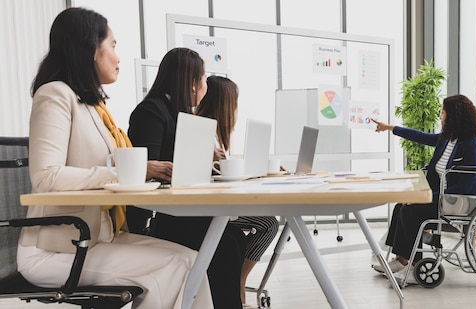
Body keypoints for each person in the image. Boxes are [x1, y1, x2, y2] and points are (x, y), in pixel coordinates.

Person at [17, 7, 211, 309]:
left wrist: (136, 172)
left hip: (99, 237)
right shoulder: (54, 95)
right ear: (91, 49)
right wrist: (123, 173)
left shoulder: (93, 107)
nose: (118, 57)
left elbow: (106, 169)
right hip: (55, 250)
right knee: (171, 267)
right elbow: (46, 177)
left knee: (193, 262)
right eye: (113, 45)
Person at [126, 47, 247, 308]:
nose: (206, 84)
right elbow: (146, 169)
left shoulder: (178, 114)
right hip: (160, 216)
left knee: (234, 240)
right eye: (203, 79)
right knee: (226, 248)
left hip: (180, 210)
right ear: (192, 83)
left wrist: (208, 160)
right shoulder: (152, 111)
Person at [370, 94, 476, 284]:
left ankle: (415, 266)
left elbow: (465, 185)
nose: (440, 116)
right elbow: (420, 136)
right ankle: (401, 260)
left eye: (443, 112)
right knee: (401, 207)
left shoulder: (473, 144)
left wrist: (428, 197)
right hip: (441, 198)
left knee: (411, 212)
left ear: (454, 115)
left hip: (457, 201)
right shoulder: (447, 139)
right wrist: (390, 127)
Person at [196, 75, 280, 306]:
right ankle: (240, 281)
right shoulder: (202, 130)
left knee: (268, 224)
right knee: (268, 224)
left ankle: (239, 280)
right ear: (225, 102)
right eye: (235, 101)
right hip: (210, 208)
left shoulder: (216, 133)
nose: (236, 107)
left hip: (220, 203)